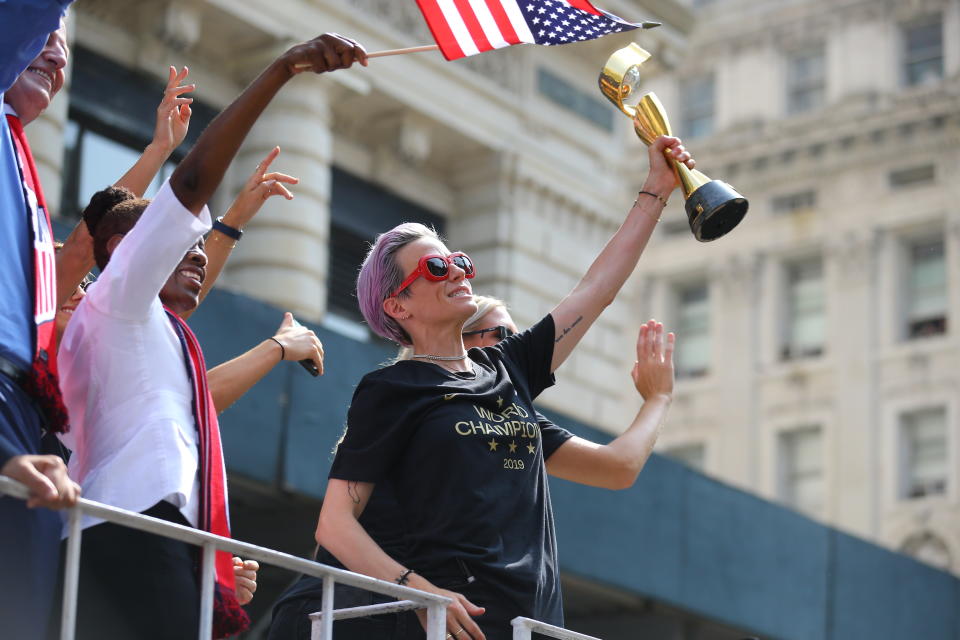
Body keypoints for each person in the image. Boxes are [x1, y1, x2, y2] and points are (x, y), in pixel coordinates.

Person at [314, 134, 689, 640]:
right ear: (398, 307)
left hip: (532, 623)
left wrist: (656, 189)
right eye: (436, 267)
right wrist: (418, 592)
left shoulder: (506, 367)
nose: (459, 272)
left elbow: (596, 290)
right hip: (454, 623)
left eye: (460, 261)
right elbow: (334, 525)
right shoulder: (392, 387)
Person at [56, 33, 366, 639]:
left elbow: (196, 391)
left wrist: (210, 557)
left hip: (156, 529)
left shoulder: (155, 330)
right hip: (128, 525)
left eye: (204, 247)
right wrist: (281, 70)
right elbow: (192, 183)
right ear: (126, 255)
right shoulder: (114, 302)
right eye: (183, 246)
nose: (199, 255)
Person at [267, 294, 673, 639]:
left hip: (427, 615)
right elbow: (337, 528)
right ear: (458, 339)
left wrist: (658, 399)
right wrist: (419, 591)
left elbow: (618, 467)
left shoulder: (508, 421)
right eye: (504, 338)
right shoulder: (407, 398)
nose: (512, 352)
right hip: (354, 616)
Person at [0, 6, 79, 639]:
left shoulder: (18, 156)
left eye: (66, 44)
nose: (56, 54)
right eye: (42, 35)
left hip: (21, 413)